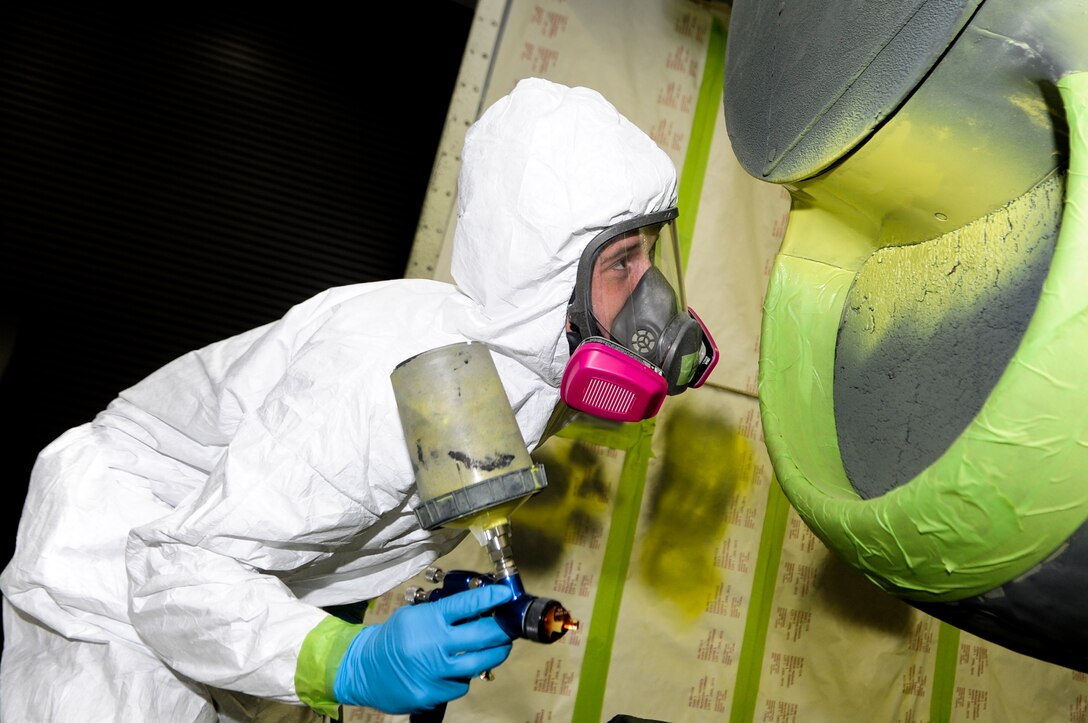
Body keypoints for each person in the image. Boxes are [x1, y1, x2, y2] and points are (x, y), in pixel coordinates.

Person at [0, 77, 716, 722]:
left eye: (651, 252)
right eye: (622, 261)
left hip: (229, 592)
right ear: (544, 273)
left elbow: (334, 525)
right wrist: (352, 661)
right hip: (115, 576)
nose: (651, 297)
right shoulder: (385, 379)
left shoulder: (524, 372)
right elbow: (173, 572)